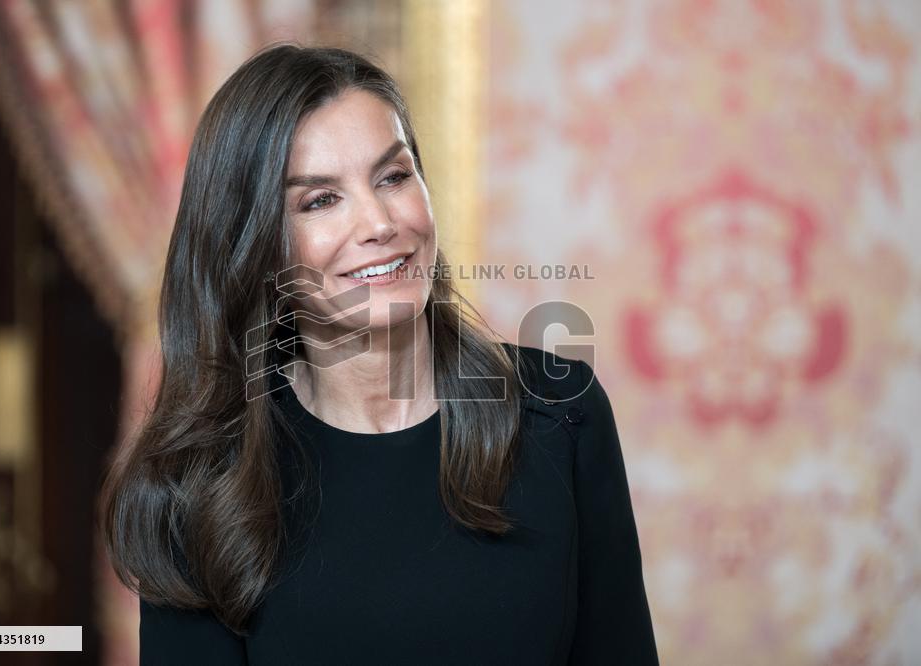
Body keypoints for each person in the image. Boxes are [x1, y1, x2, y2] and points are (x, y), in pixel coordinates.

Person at [98, 43, 658, 665]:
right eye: (319, 200)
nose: (379, 222)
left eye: (393, 177)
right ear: (255, 247)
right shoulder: (198, 484)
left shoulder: (559, 411)